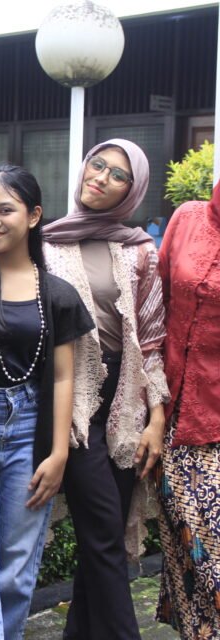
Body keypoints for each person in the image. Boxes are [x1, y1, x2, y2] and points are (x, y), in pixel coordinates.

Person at [0, 165, 94, 640]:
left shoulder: (57, 294)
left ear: (33, 215)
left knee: (15, 569)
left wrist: (59, 452)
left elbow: (64, 376)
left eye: (5, 210)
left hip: (29, 435)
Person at [42, 138, 170, 639]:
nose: (101, 178)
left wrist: (156, 417)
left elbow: (151, 339)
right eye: (97, 165)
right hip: (71, 400)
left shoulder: (139, 250)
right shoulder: (45, 241)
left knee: (106, 533)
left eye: (118, 175)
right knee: (102, 535)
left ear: (131, 190)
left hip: (126, 402)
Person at [155, 181, 220, 638]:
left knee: (211, 547)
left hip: (214, 418)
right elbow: (155, 302)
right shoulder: (188, 217)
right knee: (186, 546)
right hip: (171, 413)